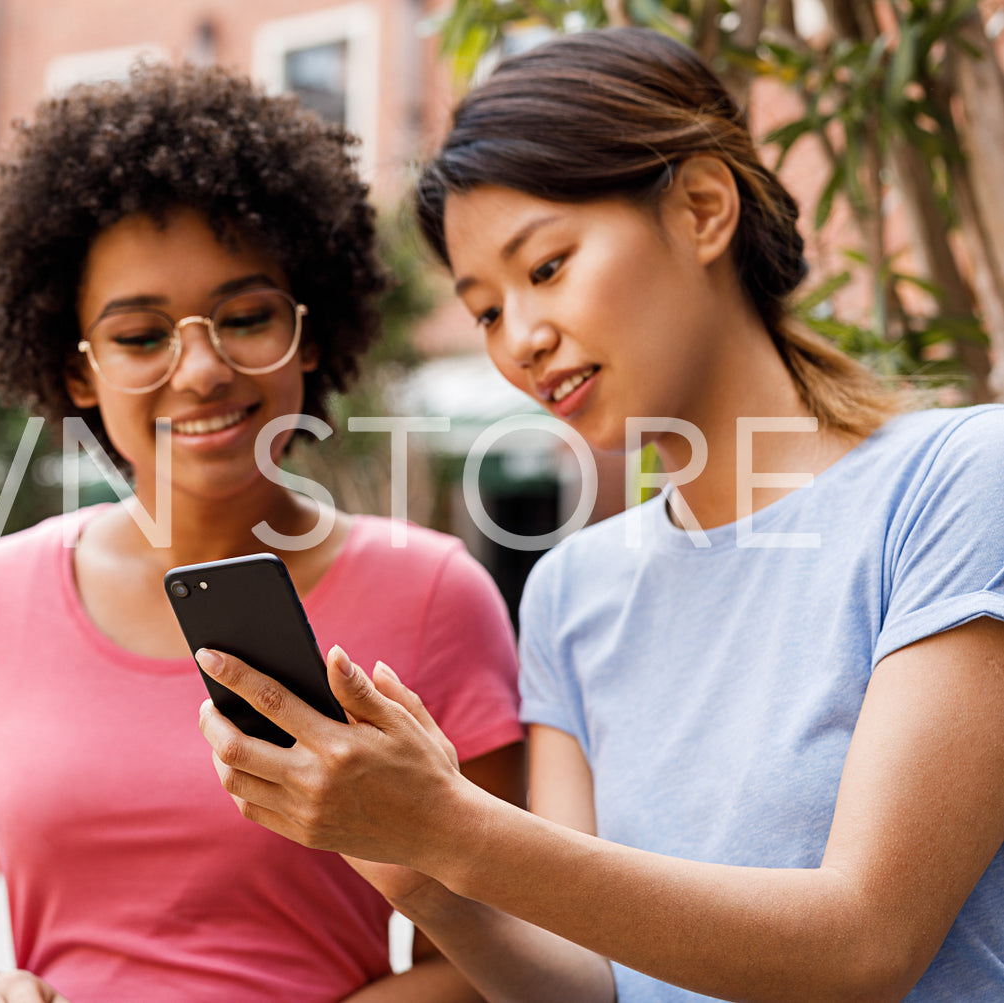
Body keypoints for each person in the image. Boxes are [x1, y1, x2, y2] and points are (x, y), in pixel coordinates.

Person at [197, 26, 1004, 1003]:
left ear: (702, 209)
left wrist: (455, 826)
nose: (522, 341)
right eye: (486, 310)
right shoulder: (572, 590)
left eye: (544, 268)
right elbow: (587, 990)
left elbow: (864, 944)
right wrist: (425, 876)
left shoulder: (955, 482)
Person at [0, 62, 526, 1003]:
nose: (202, 369)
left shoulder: (432, 594)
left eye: (246, 317)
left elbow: (496, 956)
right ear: (80, 371)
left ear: (307, 333)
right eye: (141, 336)